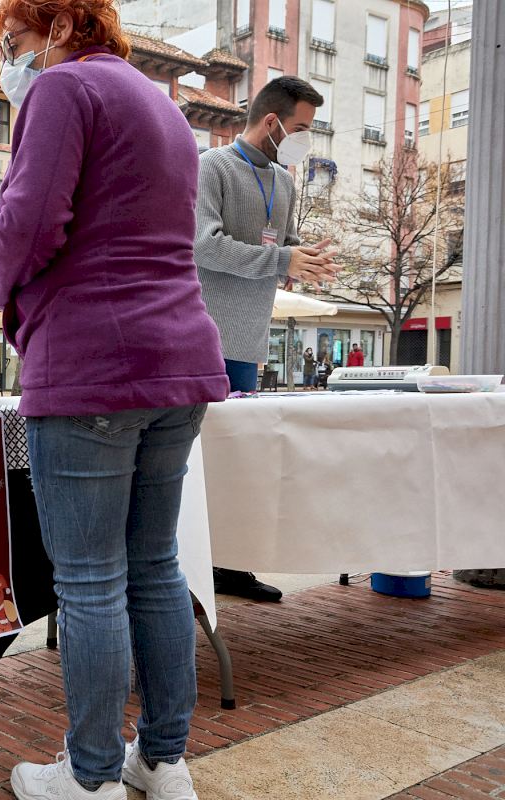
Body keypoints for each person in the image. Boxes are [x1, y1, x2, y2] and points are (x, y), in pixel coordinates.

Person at [0, 2, 229, 797]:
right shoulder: (162, 108)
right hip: (178, 355)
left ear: (60, 27)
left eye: (16, 42)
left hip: (91, 357)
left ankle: (88, 778)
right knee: (155, 566)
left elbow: (30, 221)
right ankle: (162, 761)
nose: (12, 62)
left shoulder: (63, 90)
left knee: (89, 580)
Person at [194, 75, 340, 603]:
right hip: (203, 340)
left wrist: (307, 259)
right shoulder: (210, 167)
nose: (306, 140)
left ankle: (232, 564)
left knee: (241, 461)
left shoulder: (285, 181)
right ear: (273, 122)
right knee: (200, 463)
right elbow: (203, 246)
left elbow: (284, 244)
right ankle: (193, 567)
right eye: (302, 128)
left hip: (251, 340)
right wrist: (282, 259)